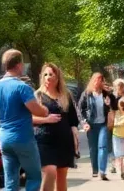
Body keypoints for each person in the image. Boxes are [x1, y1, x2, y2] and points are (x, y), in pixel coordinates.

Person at [0, 49, 57, 191]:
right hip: (23, 138)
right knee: (33, 177)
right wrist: (45, 110)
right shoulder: (22, 87)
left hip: (4, 139)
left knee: (10, 181)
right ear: (19, 65)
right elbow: (36, 110)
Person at [32, 62, 80, 191]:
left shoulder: (66, 95)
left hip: (64, 141)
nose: (48, 77)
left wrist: (75, 135)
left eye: (51, 74)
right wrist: (46, 119)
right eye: (45, 74)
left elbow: (73, 120)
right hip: (44, 141)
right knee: (50, 171)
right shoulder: (37, 96)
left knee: (61, 176)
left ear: (57, 77)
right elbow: (28, 118)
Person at [79, 72, 117, 180]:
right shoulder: (87, 94)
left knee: (103, 146)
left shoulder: (106, 94)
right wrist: (84, 122)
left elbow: (115, 106)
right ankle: (95, 169)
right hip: (91, 125)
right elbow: (80, 109)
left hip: (103, 125)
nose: (97, 82)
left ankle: (102, 171)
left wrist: (110, 99)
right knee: (93, 148)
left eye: (100, 80)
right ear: (92, 81)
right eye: (96, 80)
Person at [111, 96, 124, 180]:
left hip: (120, 135)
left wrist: (119, 123)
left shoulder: (119, 113)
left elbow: (115, 123)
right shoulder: (121, 112)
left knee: (121, 155)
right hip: (121, 135)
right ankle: (122, 171)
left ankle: (122, 171)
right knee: (122, 155)